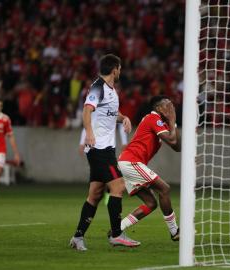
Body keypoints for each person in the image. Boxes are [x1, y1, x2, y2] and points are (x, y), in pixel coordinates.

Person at [69, 54, 139, 251]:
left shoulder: (111, 90)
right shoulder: (98, 86)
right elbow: (86, 110)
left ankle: (78, 237)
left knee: (95, 194)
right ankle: (117, 234)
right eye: (120, 68)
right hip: (99, 148)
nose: (121, 71)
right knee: (118, 186)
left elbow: (109, 113)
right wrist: (89, 134)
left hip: (105, 147)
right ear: (115, 69)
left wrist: (123, 117)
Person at [118, 95, 181, 241]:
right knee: (164, 189)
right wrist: (172, 120)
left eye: (172, 105)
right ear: (158, 108)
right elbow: (172, 140)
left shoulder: (162, 124)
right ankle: (174, 232)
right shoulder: (153, 118)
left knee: (151, 203)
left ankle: (117, 230)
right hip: (131, 161)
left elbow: (177, 147)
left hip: (128, 162)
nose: (171, 107)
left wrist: (173, 122)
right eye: (167, 105)